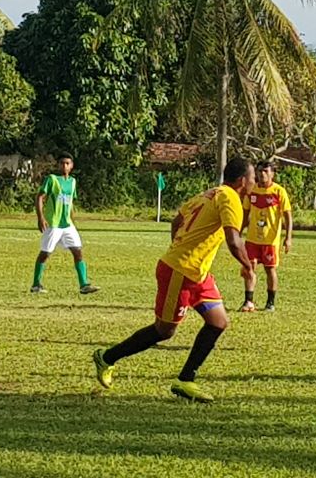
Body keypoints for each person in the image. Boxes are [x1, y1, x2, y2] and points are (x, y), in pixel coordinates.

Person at [92, 157, 255, 404]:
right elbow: (234, 241)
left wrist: (179, 245)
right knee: (164, 330)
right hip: (180, 271)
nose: (254, 181)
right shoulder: (231, 197)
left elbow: (177, 220)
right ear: (243, 180)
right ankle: (107, 357)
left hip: (197, 273)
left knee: (218, 322)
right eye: (253, 177)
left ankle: (186, 379)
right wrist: (249, 267)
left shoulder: (209, 193)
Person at [30, 153, 98, 295]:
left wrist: (73, 220)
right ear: (58, 165)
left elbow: (70, 202)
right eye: (61, 163)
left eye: (67, 163)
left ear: (72, 166)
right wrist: (40, 217)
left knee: (77, 251)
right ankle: (36, 284)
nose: (64, 166)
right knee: (45, 253)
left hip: (67, 225)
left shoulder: (72, 182)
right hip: (53, 223)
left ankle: (84, 284)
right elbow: (40, 197)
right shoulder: (52, 179)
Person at [240, 159, 293, 312]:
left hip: (270, 240)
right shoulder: (252, 191)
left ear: (272, 174)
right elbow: (245, 213)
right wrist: (238, 231)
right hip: (252, 239)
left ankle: (270, 302)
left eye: (266, 171)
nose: (262, 174)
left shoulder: (279, 191)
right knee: (249, 267)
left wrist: (288, 238)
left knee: (270, 270)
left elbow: (287, 216)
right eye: (260, 171)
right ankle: (248, 301)